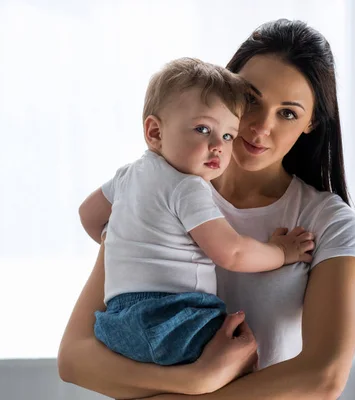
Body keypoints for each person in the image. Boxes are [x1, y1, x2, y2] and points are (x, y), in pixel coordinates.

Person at [58, 18, 355, 400]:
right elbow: (74, 359)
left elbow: (324, 377)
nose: (260, 127)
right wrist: (196, 381)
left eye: (287, 113)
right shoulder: (155, 189)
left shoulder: (328, 222)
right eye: (252, 100)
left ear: (311, 123)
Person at [78, 57, 315, 367]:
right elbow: (233, 254)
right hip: (176, 319)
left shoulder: (128, 175)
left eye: (228, 135)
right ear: (155, 132)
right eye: (203, 129)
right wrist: (281, 251)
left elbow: (88, 215)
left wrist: (130, 239)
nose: (218, 146)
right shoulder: (188, 187)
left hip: (118, 323)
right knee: (244, 358)